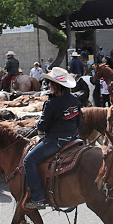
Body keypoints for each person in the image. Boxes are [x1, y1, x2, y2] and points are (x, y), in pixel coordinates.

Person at [23, 67, 81, 210]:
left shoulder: (51, 103)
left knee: (28, 161)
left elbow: (43, 126)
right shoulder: (75, 100)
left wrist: (37, 123)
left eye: (50, 83)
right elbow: (79, 121)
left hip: (57, 141)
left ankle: (38, 198)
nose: (48, 85)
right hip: (74, 138)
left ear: (55, 85)